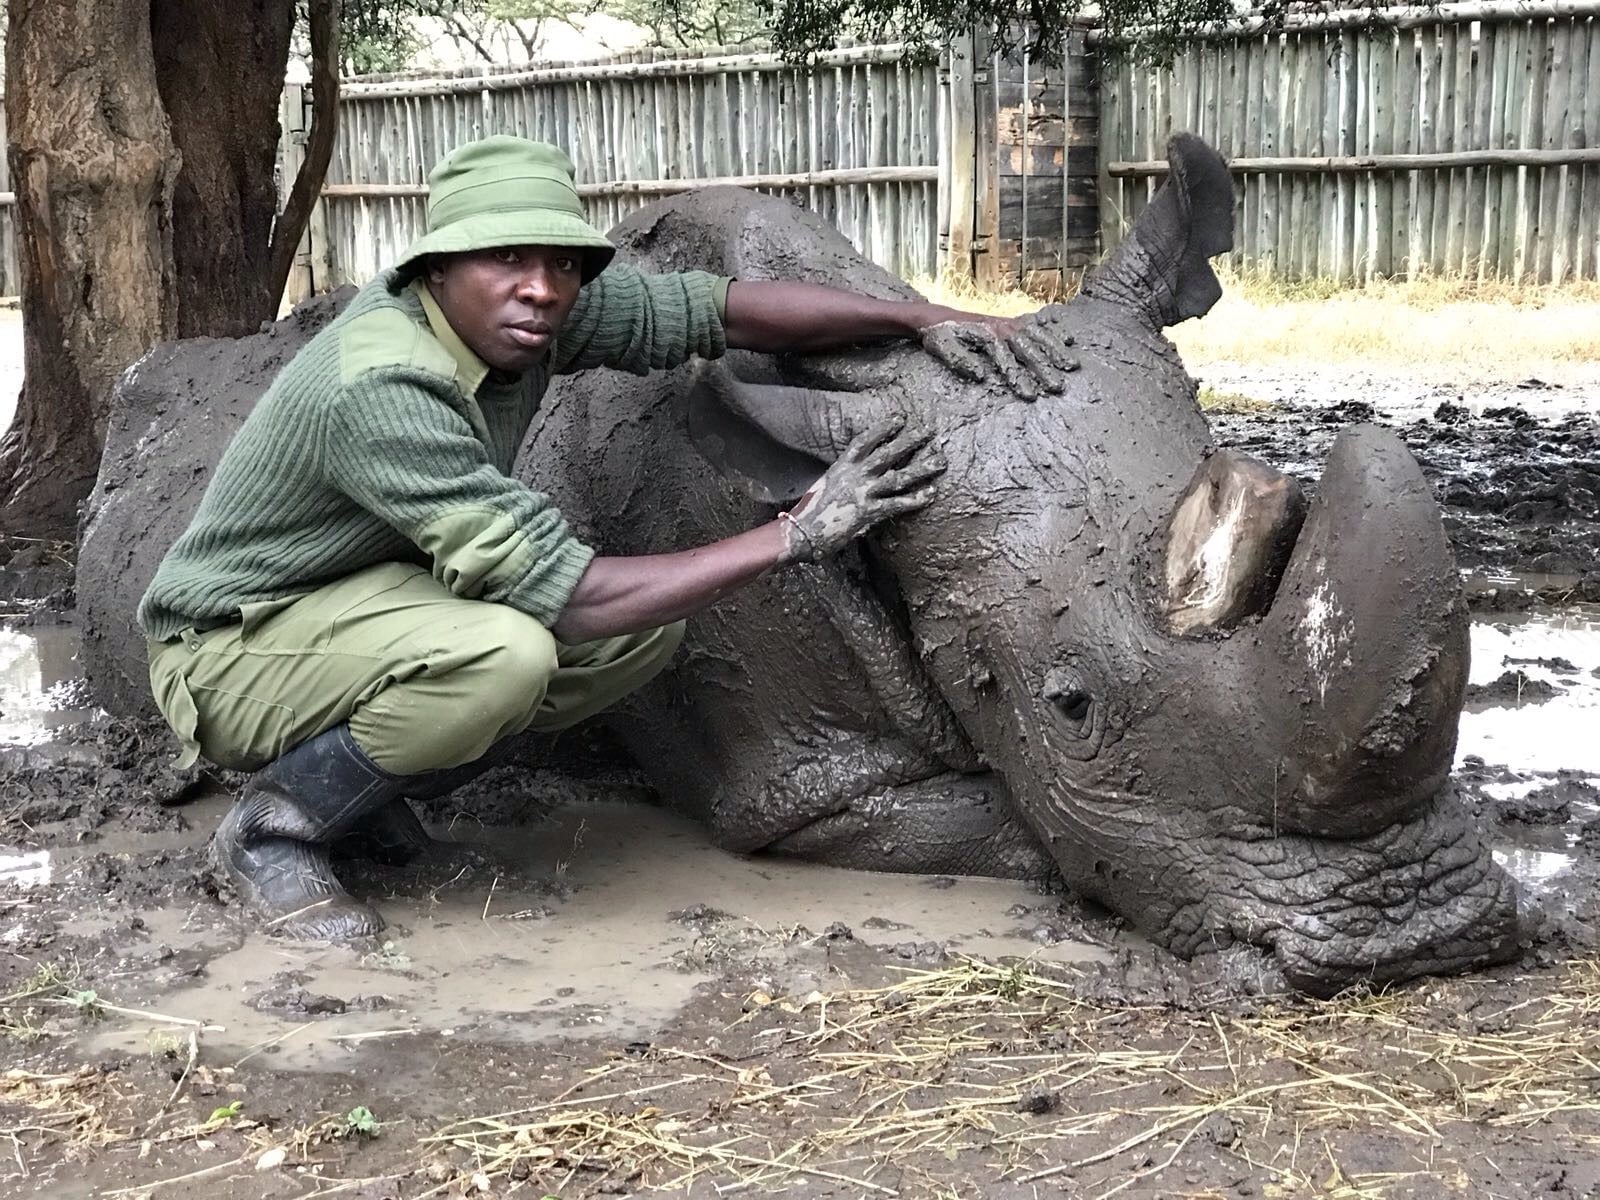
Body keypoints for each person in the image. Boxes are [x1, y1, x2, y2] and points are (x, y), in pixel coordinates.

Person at [138, 136, 1052, 940]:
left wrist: (921, 316)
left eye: (563, 263)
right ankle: (275, 825)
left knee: (641, 631)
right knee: (504, 654)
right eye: (504, 258)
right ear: (435, 269)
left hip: (354, 605)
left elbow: (719, 311)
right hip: (228, 648)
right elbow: (565, 598)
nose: (539, 287)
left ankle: (360, 800)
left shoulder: (528, 319)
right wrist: (797, 533)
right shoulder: (386, 383)